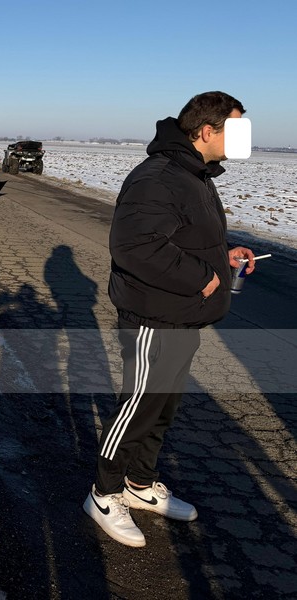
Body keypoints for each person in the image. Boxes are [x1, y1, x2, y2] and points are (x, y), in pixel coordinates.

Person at [84, 91, 257, 547]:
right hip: (153, 316)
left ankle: (140, 485)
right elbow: (135, 246)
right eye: (237, 128)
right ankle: (103, 494)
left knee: (162, 409)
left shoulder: (194, 174)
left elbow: (184, 236)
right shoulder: (159, 176)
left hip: (184, 317)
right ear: (206, 131)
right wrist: (204, 278)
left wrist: (224, 255)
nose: (245, 137)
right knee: (137, 406)